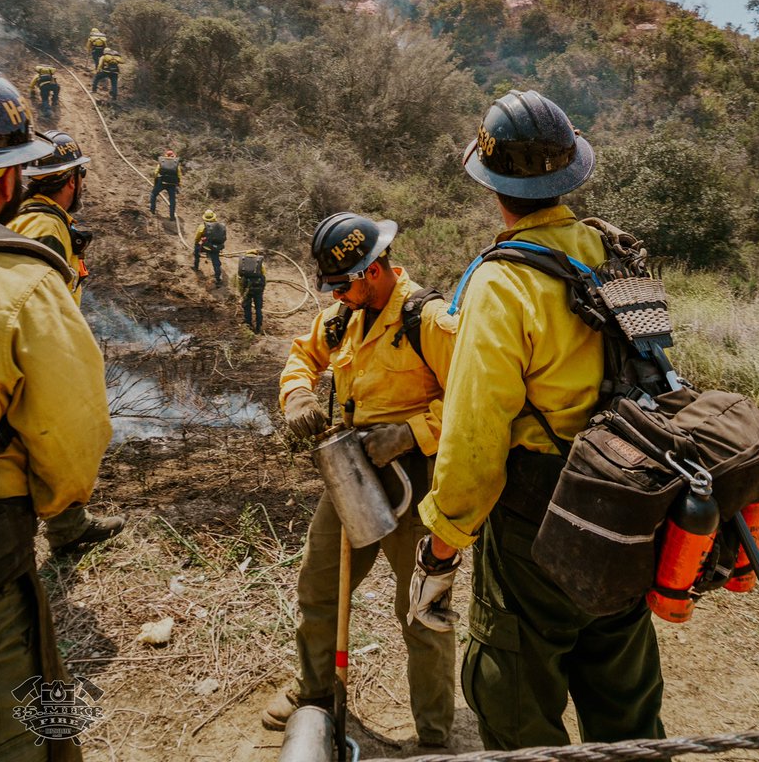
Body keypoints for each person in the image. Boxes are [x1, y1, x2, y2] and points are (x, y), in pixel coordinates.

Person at [410, 89, 665, 750]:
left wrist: (442, 546)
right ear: (569, 173)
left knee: (517, 704)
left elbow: (473, 439)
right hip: (630, 506)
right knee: (627, 708)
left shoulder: (502, 284)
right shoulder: (616, 251)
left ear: (494, 189)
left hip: (536, 524)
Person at [262, 213, 457, 749]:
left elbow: (473, 399)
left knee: (422, 609)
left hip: (418, 483)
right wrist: (297, 393)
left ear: (373, 270)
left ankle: (436, 732)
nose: (337, 295)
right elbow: (302, 355)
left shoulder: (429, 320)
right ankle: (316, 695)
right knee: (319, 586)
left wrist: (411, 432)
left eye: (344, 284)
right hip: (351, 471)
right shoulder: (341, 318)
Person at [0, 71, 113, 760]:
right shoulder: (24, 270)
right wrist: (58, 503)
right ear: (11, 181)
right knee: (26, 730)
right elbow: (73, 438)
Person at [8, 128, 126, 556]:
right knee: (57, 433)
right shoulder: (43, 223)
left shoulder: (38, 219)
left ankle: (68, 525)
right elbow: (36, 296)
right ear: (72, 179)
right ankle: (61, 529)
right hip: (39, 349)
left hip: (32, 346)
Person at [193, 208, 226, 286]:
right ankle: (218, 279)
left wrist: (196, 243)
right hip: (217, 248)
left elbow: (197, 237)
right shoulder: (220, 226)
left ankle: (196, 266)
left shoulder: (202, 226)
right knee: (216, 262)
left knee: (196, 249)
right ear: (214, 217)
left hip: (206, 247)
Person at [237, 248, 265, 333]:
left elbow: (239, 277)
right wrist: (262, 289)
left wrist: (242, 292)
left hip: (247, 288)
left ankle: (248, 324)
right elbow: (264, 276)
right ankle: (259, 326)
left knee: (247, 308)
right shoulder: (259, 263)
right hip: (258, 289)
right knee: (258, 308)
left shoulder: (243, 262)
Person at [150, 149, 182, 219]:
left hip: (162, 182)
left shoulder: (162, 162)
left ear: (166, 155)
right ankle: (172, 216)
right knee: (172, 200)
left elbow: (155, 173)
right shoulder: (176, 163)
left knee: (153, 194)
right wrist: (179, 184)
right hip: (172, 184)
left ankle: (152, 211)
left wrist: (155, 181)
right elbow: (179, 175)